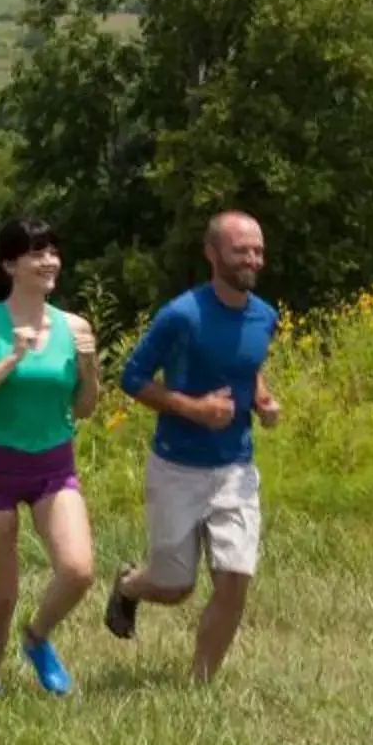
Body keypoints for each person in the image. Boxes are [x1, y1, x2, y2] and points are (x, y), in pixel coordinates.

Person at [104, 211, 279, 684]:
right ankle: (128, 585)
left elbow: (249, 368)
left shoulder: (265, 316)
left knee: (235, 579)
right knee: (175, 585)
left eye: (258, 250)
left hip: (235, 468)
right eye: (241, 250)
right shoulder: (181, 315)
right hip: (176, 467)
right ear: (212, 253)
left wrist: (261, 399)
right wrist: (194, 408)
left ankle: (199, 684)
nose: (252, 260)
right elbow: (132, 379)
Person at [0, 216, 100, 695]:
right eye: (36, 252)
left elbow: (86, 407)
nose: (49, 261)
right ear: (10, 263)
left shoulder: (74, 327)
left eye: (53, 251)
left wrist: (89, 366)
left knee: (78, 571)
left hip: (53, 466)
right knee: (1, 597)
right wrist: (11, 361)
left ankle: (36, 639)